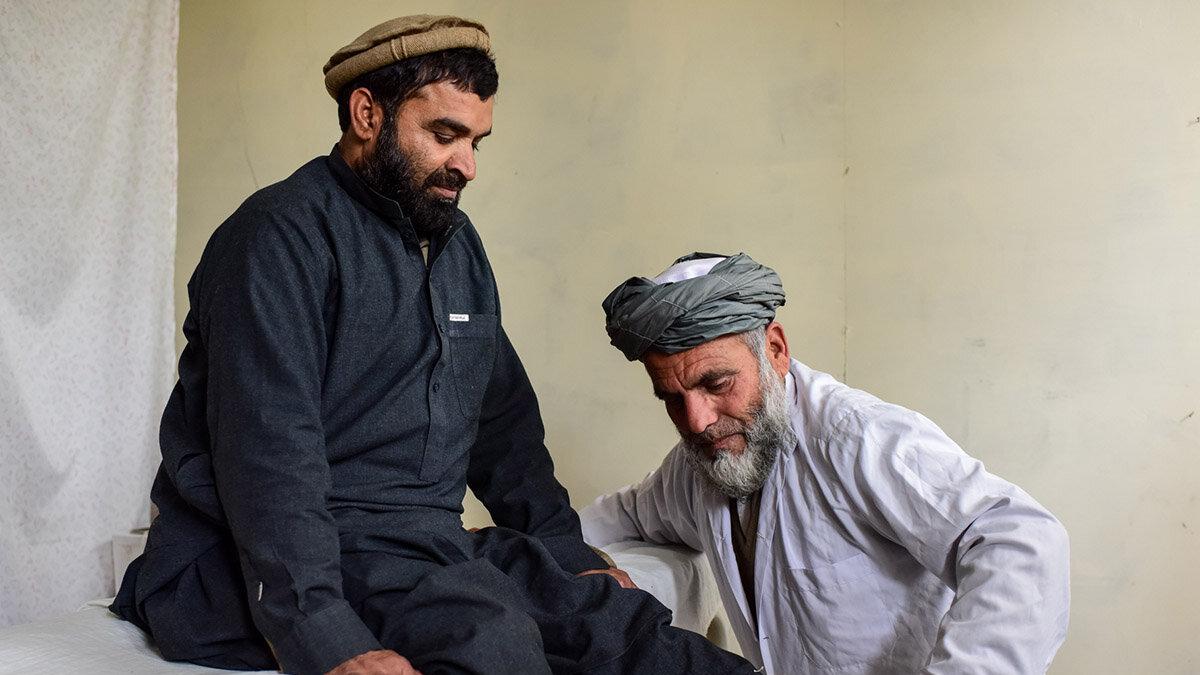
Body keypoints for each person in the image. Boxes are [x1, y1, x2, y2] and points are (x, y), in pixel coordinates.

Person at [111, 17, 753, 675]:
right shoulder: (276, 241)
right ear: (367, 114)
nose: (466, 164)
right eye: (444, 134)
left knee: (624, 629)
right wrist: (327, 638)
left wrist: (569, 553)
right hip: (268, 560)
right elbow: (268, 459)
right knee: (494, 642)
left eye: (476, 141)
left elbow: (503, 430)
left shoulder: (454, 244)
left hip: (418, 546)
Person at [583, 252, 1071, 674]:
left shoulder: (857, 437)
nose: (696, 421)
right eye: (672, 398)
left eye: (716, 384)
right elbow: (622, 519)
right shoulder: (701, 464)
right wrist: (581, 567)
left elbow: (1022, 542)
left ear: (774, 351)